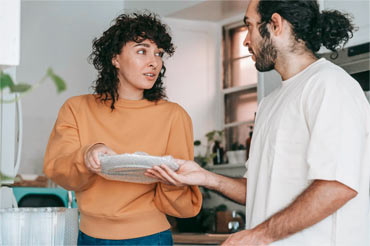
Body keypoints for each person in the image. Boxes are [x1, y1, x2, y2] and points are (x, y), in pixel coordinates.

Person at [146, 0, 370, 245]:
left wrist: (258, 235)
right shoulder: (269, 103)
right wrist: (205, 177)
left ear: (275, 24)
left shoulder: (329, 85)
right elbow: (258, 190)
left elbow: (338, 186)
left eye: (249, 26)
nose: (245, 40)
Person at [43, 12, 202, 245]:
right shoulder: (76, 108)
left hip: (151, 238)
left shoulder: (174, 116)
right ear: (115, 58)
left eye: (158, 53)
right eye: (142, 50)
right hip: (90, 237)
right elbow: (58, 169)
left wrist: (171, 182)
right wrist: (88, 153)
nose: (154, 62)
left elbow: (183, 204)